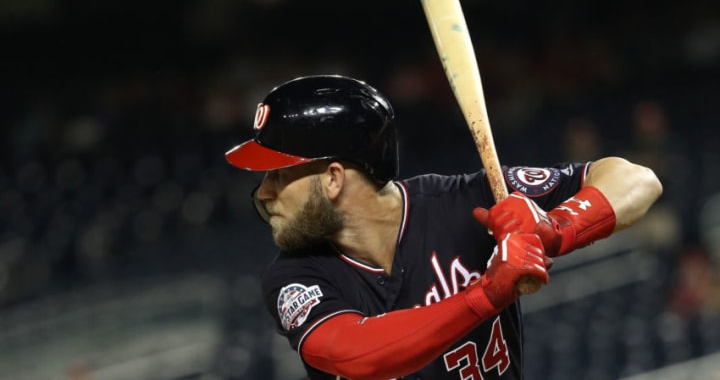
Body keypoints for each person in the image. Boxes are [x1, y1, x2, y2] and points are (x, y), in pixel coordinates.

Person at [224, 75, 663, 380]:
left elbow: (636, 180)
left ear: (334, 178)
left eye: (278, 175)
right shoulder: (295, 276)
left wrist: (554, 228)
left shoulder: (464, 201)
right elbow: (355, 354)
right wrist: (486, 295)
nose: (264, 192)